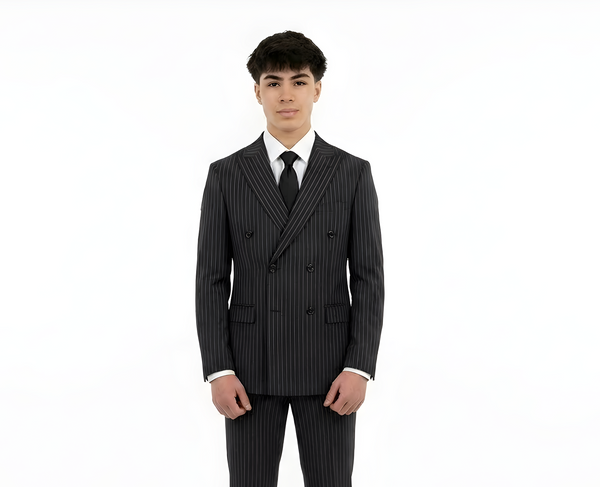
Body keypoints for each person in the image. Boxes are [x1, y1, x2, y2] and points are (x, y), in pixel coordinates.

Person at [195, 30, 384, 487]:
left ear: (317, 89)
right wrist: (219, 369)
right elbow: (211, 280)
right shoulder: (226, 174)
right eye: (273, 82)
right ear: (256, 91)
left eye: (299, 81)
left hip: (331, 368)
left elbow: (368, 278)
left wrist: (359, 367)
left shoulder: (351, 173)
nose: (286, 95)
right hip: (248, 369)